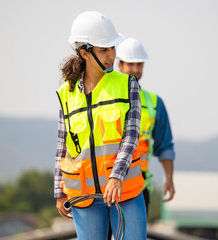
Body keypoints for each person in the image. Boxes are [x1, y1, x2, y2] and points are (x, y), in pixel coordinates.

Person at [54, 12, 147, 240]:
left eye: (113, 48)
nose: (112, 55)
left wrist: (116, 176)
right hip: (84, 197)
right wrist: (59, 190)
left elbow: (131, 136)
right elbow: (62, 146)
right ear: (85, 53)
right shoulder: (66, 93)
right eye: (104, 50)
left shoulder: (127, 84)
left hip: (124, 191)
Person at [117, 37, 175, 215]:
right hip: (107, 181)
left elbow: (165, 145)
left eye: (139, 64)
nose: (135, 69)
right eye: (131, 64)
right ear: (120, 65)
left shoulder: (154, 103)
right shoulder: (106, 99)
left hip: (139, 183)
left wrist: (169, 179)